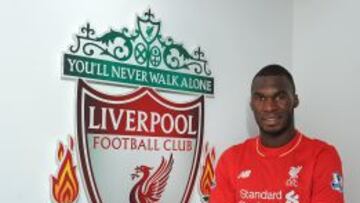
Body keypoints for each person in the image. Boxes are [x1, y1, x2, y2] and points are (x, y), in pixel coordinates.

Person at [209, 64, 344, 203]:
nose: (269, 107)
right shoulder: (230, 159)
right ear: (251, 104)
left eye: (280, 97)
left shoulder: (322, 156)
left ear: (295, 100)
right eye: (260, 98)